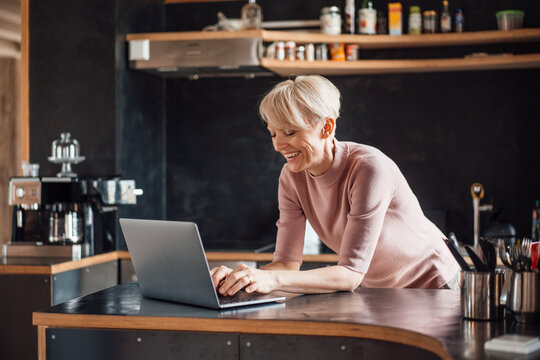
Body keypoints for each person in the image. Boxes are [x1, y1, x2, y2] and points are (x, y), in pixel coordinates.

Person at [211, 75, 460, 296]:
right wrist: (237, 281)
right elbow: (286, 264)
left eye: (289, 132)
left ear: (327, 127)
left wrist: (271, 279)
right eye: (273, 134)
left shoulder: (368, 168)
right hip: (382, 291)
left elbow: (350, 274)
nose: (278, 145)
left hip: (436, 283)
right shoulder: (291, 177)